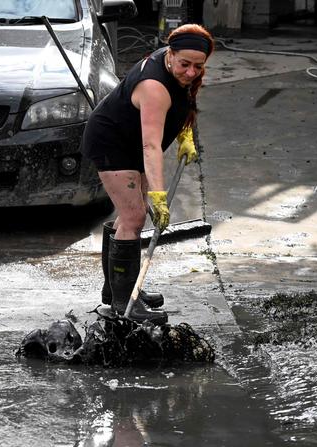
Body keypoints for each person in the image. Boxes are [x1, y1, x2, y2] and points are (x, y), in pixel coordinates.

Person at [81, 24, 215, 324]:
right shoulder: (154, 86)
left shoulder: (177, 66)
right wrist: (158, 196)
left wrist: (185, 134)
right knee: (135, 217)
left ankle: (119, 290)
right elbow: (151, 146)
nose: (191, 72)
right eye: (185, 64)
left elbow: (184, 100)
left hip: (127, 140)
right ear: (170, 54)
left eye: (198, 66)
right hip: (112, 142)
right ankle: (121, 306)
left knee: (129, 216)